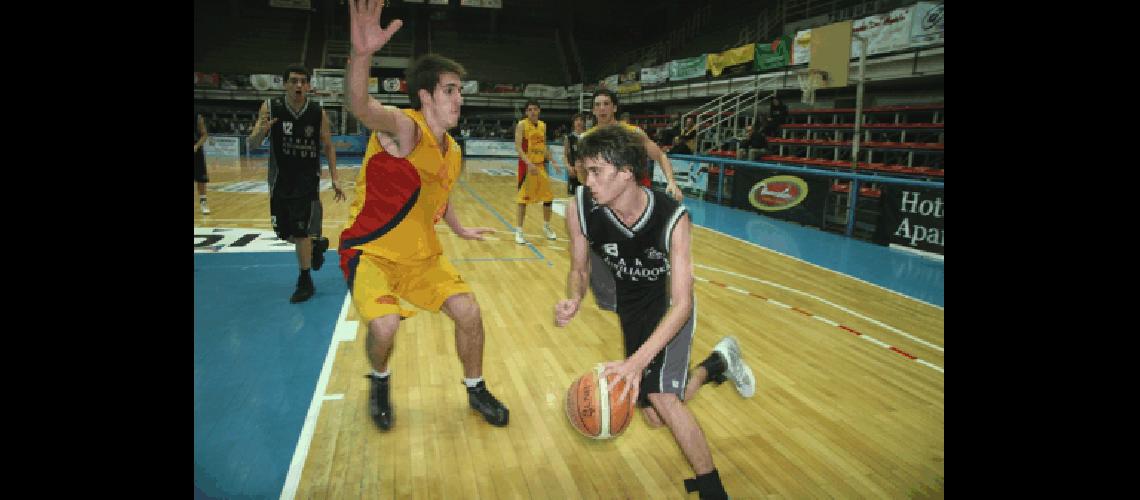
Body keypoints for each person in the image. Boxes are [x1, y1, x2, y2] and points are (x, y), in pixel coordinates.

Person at [554, 125, 755, 500]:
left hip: (668, 308)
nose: (587, 180)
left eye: (596, 171)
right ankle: (717, 364)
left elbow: (683, 303)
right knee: (654, 415)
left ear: (626, 172)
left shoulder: (672, 218)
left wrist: (635, 364)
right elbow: (580, 269)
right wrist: (575, 298)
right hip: (633, 307)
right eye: (586, 171)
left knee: (663, 397)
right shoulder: (580, 206)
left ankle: (713, 489)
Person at [340, 0, 510, 431]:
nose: (459, 97)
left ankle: (476, 388)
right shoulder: (405, 128)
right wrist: (362, 56)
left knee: (469, 313)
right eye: (450, 89)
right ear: (425, 95)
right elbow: (361, 106)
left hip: (423, 259)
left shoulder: (452, 152)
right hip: (372, 254)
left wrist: (459, 227)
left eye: (460, 90)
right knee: (384, 328)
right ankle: (379, 379)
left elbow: (439, 195)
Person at [248, 64, 347, 303]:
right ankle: (315, 245)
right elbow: (252, 144)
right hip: (280, 180)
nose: (298, 85)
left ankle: (305, 280)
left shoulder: (316, 111)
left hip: (307, 181)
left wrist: (335, 177)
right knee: (285, 232)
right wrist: (261, 131)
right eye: (293, 81)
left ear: (309, 85)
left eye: (303, 81)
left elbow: (328, 146)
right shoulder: (271, 107)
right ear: (284, 84)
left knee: (301, 231)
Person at [583, 89, 683, 311]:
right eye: (597, 104)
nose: (602, 109)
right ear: (593, 110)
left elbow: (660, 156)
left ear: (615, 108)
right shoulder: (589, 139)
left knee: (650, 250)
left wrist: (672, 182)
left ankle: (663, 294)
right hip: (609, 204)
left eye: (606, 104)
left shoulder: (632, 133)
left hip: (638, 200)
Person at [513, 100, 562, 244]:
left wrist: (552, 161)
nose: (532, 112)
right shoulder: (522, 125)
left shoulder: (543, 126)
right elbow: (518, 148)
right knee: (523, 200)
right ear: (526, 112)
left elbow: (544, 145)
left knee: (548, 198)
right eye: (529, 109)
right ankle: (519, 231)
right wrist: (528, 163)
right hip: (527, 167)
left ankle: (546, 226)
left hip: (540, 166)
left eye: (535, 109)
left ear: (539, 110)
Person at [563, 113, 587, 196]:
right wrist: (568, 167)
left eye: (581, 120)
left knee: (585, 198)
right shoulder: (569, 138)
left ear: (584, 123)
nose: (579, 122)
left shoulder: (588, 136)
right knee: (573, 198)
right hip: (573, 172)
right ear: (573, 123)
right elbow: (565, 155)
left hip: (585, 172)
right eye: (576, 120)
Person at [194, 112, 211, 215]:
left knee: (201, 179)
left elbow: (204, 135)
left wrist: (196, 146)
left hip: (196, 151)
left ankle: (203, 202)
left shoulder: (197, 116)